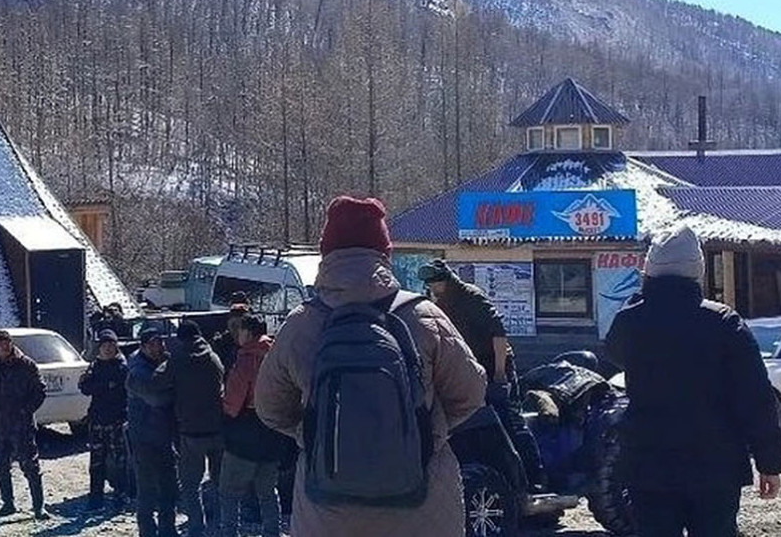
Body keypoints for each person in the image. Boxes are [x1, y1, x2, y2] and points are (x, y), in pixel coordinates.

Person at [255, 196, 487, 537]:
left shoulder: (302, 324)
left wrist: (316, 434)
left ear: (326, 253)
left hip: (327, 507)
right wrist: (425, 434)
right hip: (421, 505)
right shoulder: (423, 316)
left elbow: (269, 407)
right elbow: (471, 393)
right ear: (384, 254)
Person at [605, 225, 781, 537]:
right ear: (698, 271)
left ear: (649, 269)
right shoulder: (724, 322)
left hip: (649, 464)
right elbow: (755, 398)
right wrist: (769, 462)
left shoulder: (630, 321)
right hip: (715, 464)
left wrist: (644, 294)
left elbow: (614, 353)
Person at [420, 259, 549, 493]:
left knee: (510, 421)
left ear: (446, 280)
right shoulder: (440, 303)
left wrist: (499, 374)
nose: (433, 288)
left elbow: (498, 335)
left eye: (435, 283)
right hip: (471, 370)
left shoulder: (471, 297)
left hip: (494, 367)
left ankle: (535, 477)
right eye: (430, 284)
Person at [0, 330, 53, 521]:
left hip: (21, 425)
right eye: (0, 344)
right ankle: (8, 504)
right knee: (1, 466)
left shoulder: (26, 365)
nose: (4, 347)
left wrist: (26, 410)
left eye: (7, 343)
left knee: (30, 466)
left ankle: (38, 506)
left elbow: (40, 390)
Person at [220, 314, 290, 537]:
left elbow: (233, 401)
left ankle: (230, 533)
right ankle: (272, 532)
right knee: (268, 491)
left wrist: (224, 413)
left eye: (240, 331)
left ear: (248, 333)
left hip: (246, 431)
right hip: (273, 429)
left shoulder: (247, 358)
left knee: (229, 491)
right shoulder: (277, 355)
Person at [169, 320, 226, 537]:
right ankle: (220, 525)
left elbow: (163, 384)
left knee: (190, 484)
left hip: (190, 430)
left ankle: (196, 527)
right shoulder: (213, 358)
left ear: (181, 338)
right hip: (217, 428)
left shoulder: (177, 360)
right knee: (219, 483)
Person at [127, 327, 178, 537]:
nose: (157, 348)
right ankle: (147, 531)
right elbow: (155, 399)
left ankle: (168, 529)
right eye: (152, 344)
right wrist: (175, 393)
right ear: (143, 347)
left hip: (164, 436)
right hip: (143, 437)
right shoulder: (137, 370)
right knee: (147, 488)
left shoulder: (166, 361)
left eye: (160, 343)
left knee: (169, 486)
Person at [79, 329, 130, 514]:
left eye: (111, 345)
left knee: (119, 462)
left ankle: (120, 498)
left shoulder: (122, 366)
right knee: (96, 463)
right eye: (104, 345)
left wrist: (102, 386)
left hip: (117, 420)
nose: (108, 348)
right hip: (97, 420)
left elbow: (123, 389)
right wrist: (105, 385)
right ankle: (96, 499)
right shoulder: (94, 366)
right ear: (99, 347)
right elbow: (84, 387)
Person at [212, 298, 251, 372]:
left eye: (239, 325)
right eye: (233, 325)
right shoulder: (220, 343)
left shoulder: (255, 344)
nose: (236, 329)